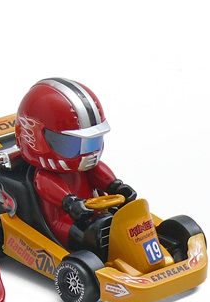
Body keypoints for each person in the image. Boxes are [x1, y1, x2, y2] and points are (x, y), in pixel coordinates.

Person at [15, 78, 136, 258]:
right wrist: (71, 203)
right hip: (63, 222)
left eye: (92, 142)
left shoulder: (86, 168)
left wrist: (116, 187)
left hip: (94, 213)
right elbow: (55, 192)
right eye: (72, 145)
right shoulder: (44, 176)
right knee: (98, 232)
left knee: (127, 218)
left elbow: (99, 174)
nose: (87, 153)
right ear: (37, 138)